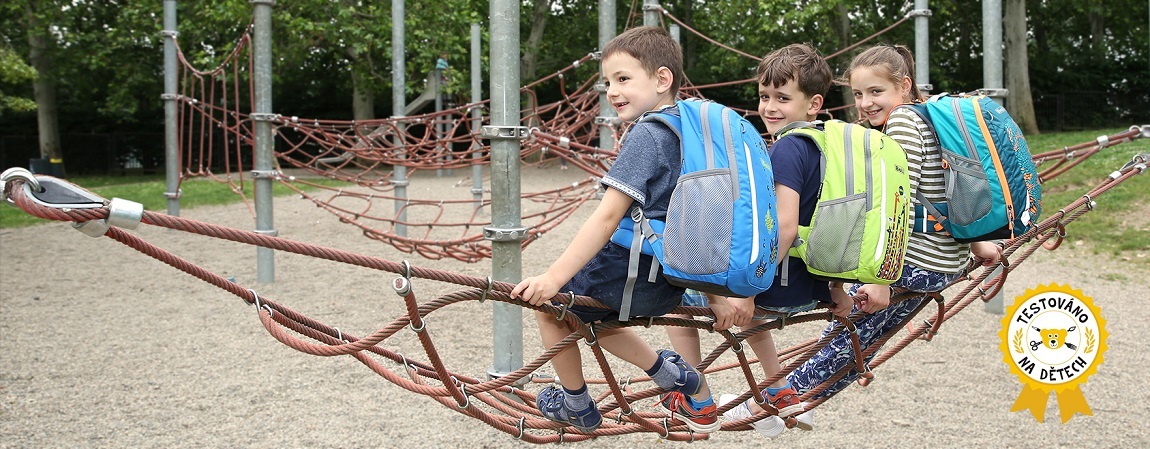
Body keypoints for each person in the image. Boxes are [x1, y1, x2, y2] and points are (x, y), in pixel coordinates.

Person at [511, 26, 719, 434]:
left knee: (550, 309)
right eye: (608, 82)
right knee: (597, 318)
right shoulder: (693, 132)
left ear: (662, 79)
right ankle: (671, 375)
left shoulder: (648, 134)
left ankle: (576, 404)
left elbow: (607, 218)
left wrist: (553, 277)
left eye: (623, 79)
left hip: (627, 271)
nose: (612, 91)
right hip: (669, 281)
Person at [785, 44, 1001, 422]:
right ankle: (803, 402)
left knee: (847, 333)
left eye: (876, 91)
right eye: (858, 93)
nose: (865, 103)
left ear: (904, 86)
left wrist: (880, 278)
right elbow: (947, 193)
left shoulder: (902, 122)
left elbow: (896, 201)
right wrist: (978, 244)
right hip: (942, 265)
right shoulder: (928, 118)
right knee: (864, 341)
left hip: (910, 263)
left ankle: (780, 400)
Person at [663, 43, 853, 439]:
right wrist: (836, 289)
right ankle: (778, 386)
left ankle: (694, 392)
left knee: (680, 291)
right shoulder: (829, 146)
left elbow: (785, 228)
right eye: (765, 96)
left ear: (814, 103)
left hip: (778, 286)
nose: (769, 107)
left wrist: (747, 291)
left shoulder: (787, 149)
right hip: (811, 285)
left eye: (782, 98)